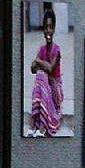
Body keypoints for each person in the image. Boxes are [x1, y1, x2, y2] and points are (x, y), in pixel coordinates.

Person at [27, 7, 63, 137]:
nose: (48, 31)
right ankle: (34, 126)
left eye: (51, 27)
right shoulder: (42, 49)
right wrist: (37, 62)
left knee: (42, 75)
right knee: (40, 77)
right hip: (44, 92)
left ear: (54, 29)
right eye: (46, 27)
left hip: (55, 93)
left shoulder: (57, 50)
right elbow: (32, 69)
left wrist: (38, 61)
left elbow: (50, 68)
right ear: (43, 29)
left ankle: (40, 126)